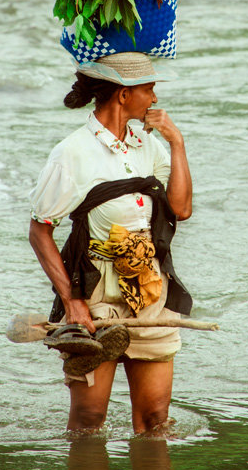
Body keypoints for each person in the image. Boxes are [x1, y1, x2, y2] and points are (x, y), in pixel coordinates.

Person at [28, 52, 193, 434]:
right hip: (95, 290)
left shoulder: (149, 146)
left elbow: (181, 208)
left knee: (155, 421)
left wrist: (177, 142)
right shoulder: (72, 153)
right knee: (89, 420)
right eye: (148, 89)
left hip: (150, 287)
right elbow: (39, 231)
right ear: (123, 95)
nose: (154, 99)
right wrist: (73, 302)